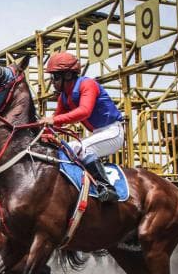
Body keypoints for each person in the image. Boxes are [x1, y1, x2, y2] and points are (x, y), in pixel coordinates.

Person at [36, 52, 123, 202]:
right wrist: (40, 135)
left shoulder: (87, 84)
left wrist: (52, 120)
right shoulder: (64, 97)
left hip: (113, 132)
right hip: (98, 133)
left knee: (79, 147)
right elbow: (56, 122)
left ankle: (107, 188)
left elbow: (84, 111)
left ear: (68, 75)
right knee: (64, 150)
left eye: (55, 77)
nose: (53, 82)